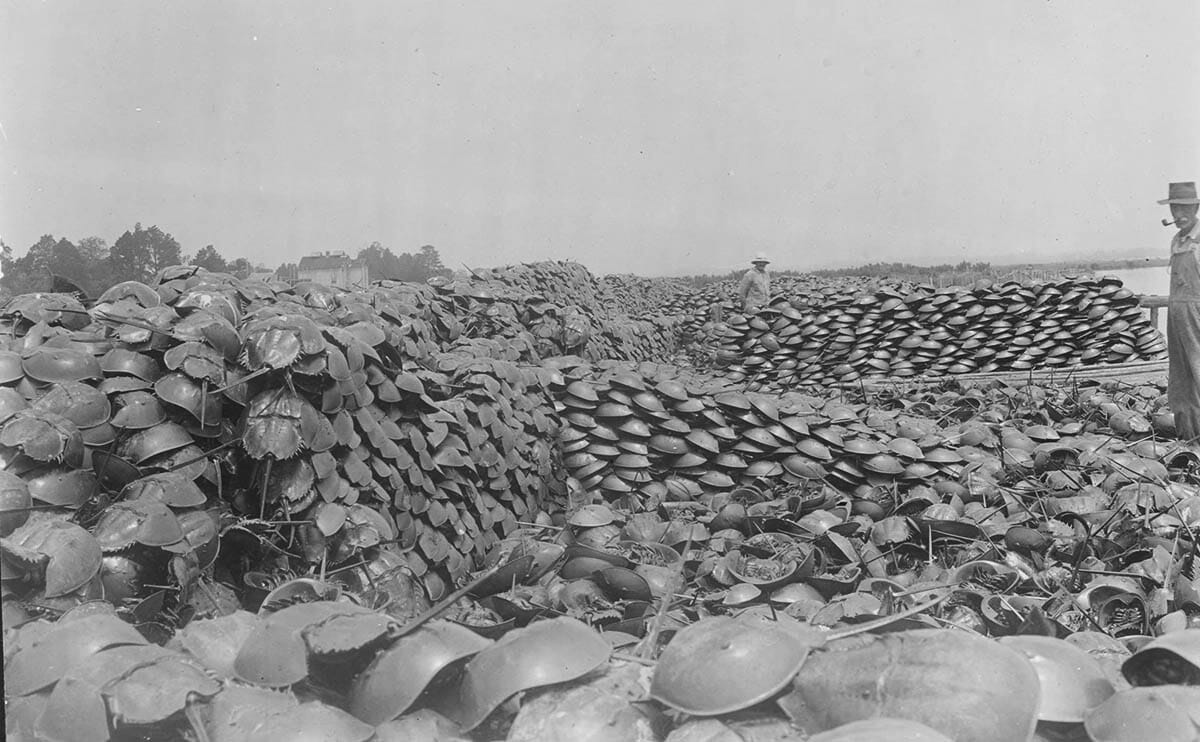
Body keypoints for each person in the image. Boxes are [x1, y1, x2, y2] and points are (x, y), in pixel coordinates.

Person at [1163, 181, 1200, 442]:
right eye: (1175, 208)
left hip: (1196, 313)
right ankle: (1187, 435)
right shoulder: (1176, 240)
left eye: (1184, 208)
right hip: (1175, 314)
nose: (1178, 214)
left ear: (1196, 207)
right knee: (1180, 376)